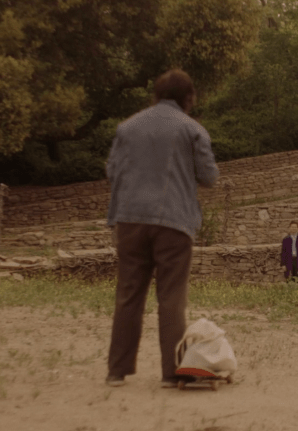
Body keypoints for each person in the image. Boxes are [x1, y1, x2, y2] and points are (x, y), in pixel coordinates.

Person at [104, 69, 219, 388]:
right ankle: (172, 373)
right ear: (189, 98)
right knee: (171, 297)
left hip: (130, 219)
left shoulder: (126, 128)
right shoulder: (192, 129)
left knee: (128, 293)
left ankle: (117, 370)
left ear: (155, 95)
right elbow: (209, 176)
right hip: (174, 220)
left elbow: (111, 170)